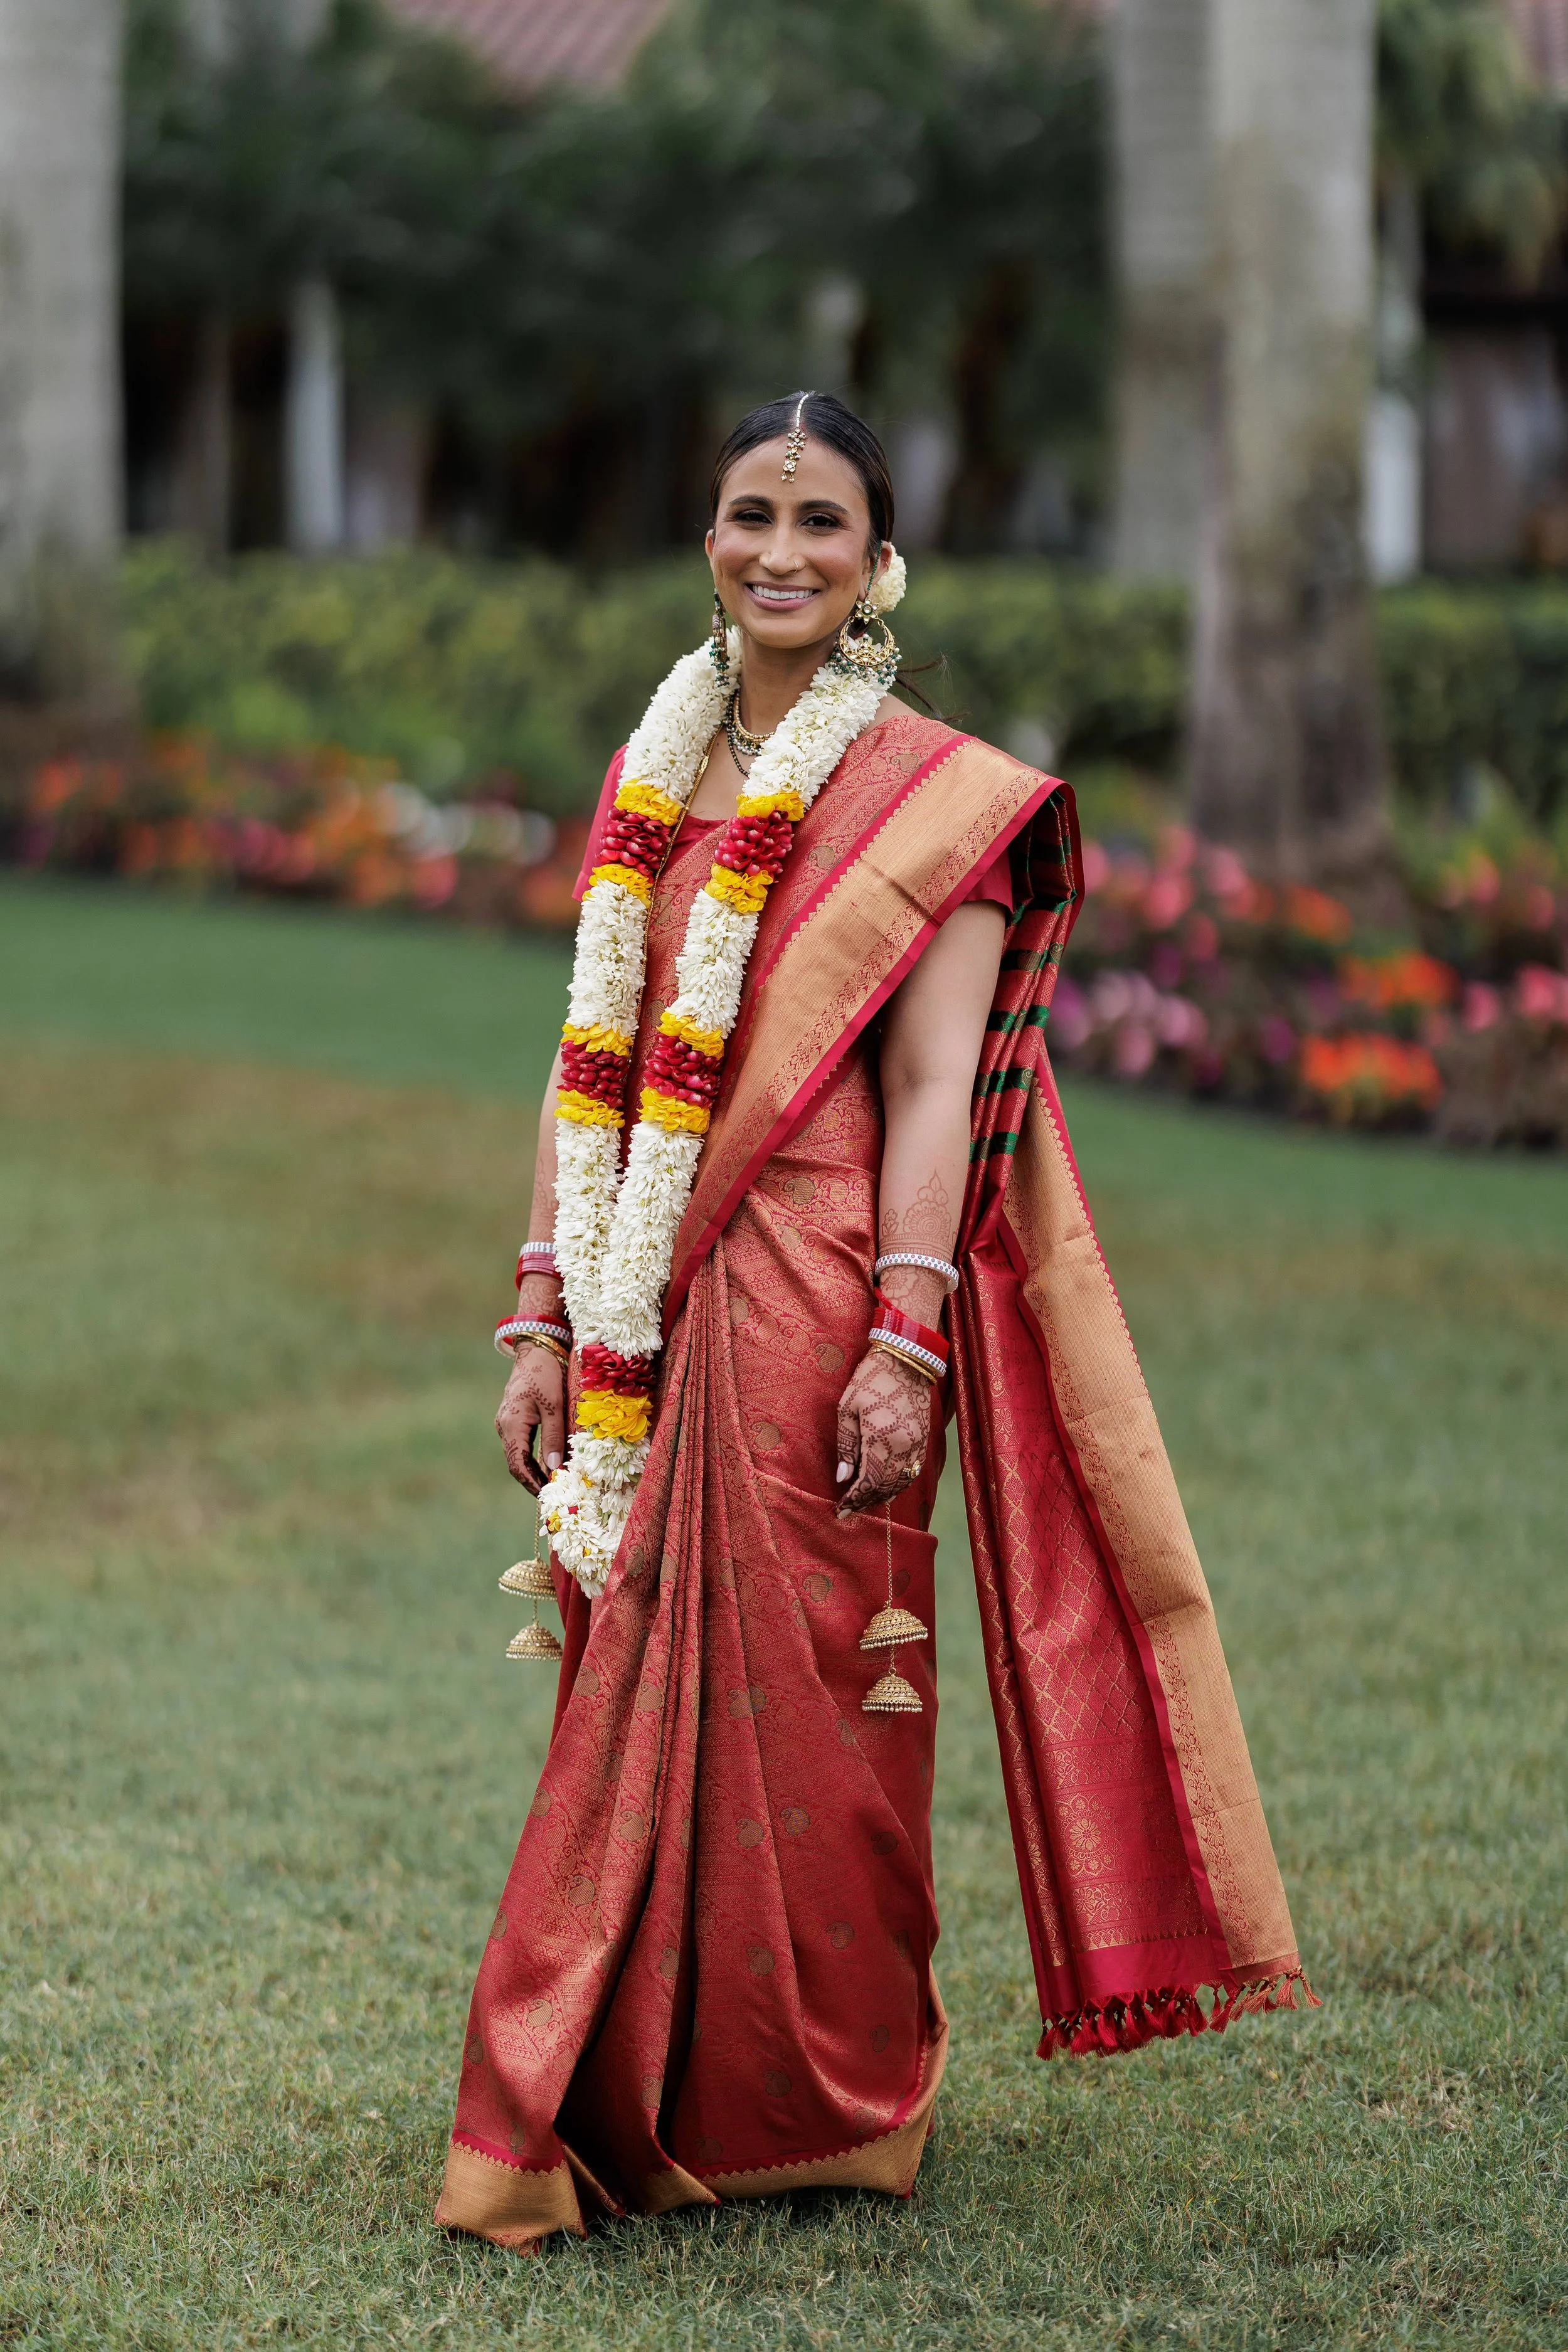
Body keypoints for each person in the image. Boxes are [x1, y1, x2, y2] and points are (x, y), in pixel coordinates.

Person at [435, 393, 1307, 2255]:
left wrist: (905, 1341)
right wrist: (537, 1305)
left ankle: (823, 2097)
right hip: (638, 1304)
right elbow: (585, 1060)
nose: (779, 549)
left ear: (877, 556)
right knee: (630, 1690)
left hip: (821, 1303)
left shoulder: (935, 802)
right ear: (706, 539)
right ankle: (614, 2080)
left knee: (833, 1715)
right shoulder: (650, 771)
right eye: (749, 512)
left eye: (820, 520)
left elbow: (931, 1094)